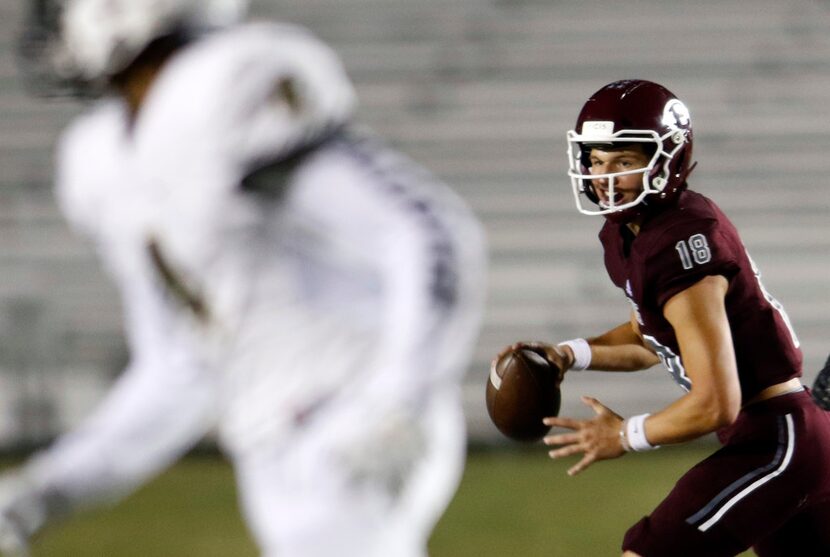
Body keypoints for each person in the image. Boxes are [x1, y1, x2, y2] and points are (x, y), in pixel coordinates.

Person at [0, 1, 486, 556]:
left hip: (344, 403)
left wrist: (397, 401)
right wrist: (45, 488)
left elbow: (426, 234)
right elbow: (178, 370)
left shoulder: (220, 88)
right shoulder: (100, 160)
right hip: (268, 442)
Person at [499, 79, 830, 556]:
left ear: (666, 161)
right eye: (595, 160)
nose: (604, 177)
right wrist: (568, 354)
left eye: (624, 161)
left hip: (777, 439)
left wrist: (625, 434)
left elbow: (716, 402)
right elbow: (651, 336)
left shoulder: (679, 245)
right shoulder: (634, 234)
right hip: (778, 439)